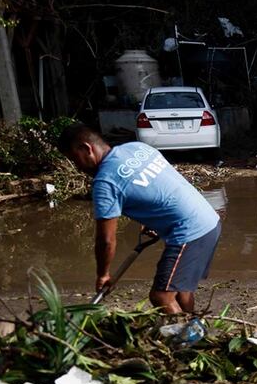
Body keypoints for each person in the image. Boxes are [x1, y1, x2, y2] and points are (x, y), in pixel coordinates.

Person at [57, 124, 221, 314]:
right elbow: (159, 187)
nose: (76, 167)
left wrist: (103, 274)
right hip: (209, 220)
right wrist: (154, 222)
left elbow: (106, 240)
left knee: (161, 296)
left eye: (73, 159)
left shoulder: (105, 182)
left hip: (190, 232)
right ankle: (193, 332)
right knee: (181, 290)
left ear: (86, 149)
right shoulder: (136, 148)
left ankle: (182, 340)